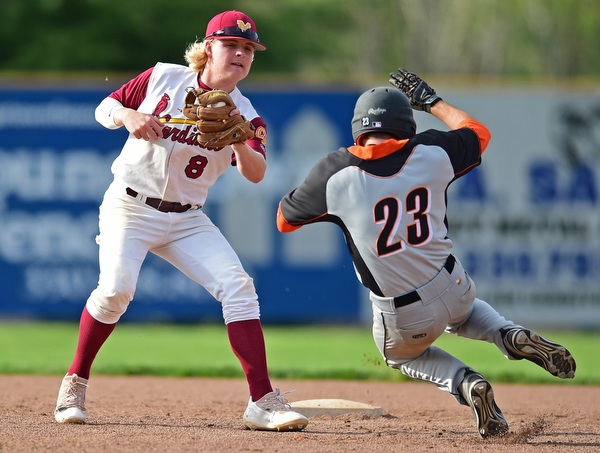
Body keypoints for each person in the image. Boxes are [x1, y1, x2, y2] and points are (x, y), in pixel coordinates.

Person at [276, 68, 576, 438]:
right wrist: (432, 102)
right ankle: (506, 332)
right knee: (464, 314)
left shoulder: (335, 171)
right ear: (407, 126)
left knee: (399, 356)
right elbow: (480, 133)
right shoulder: (432, 150)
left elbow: (283, 221)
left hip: (403, 315)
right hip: (453, 283)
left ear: (358, 128)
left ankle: (465, 382)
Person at [54, 10, 308, 432]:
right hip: (130, 205)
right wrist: (128, 116)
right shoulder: (163, 78)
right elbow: (105, 107)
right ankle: (74, 382)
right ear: (209, 48)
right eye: (232, 45)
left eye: (249, 49)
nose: (241, 54)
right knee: (116, 290)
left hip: (187, 219)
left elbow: (257, 173)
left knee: (239, 287)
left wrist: (239, 136)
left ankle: (262, 402)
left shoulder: (246, 113)